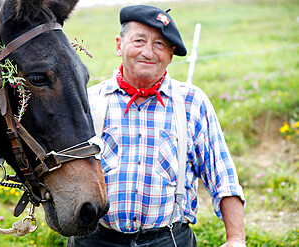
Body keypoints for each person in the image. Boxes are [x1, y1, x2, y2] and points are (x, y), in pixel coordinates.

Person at [68, 5, 246, 247]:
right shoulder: (91, 100)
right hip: (97, 238)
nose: (148, 52)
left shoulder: (192, 102)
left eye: (160, 44)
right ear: (119, 45)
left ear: (171, 54)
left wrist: (235, 238)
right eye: (139, 41)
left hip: (168, 239)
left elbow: (222, 175)